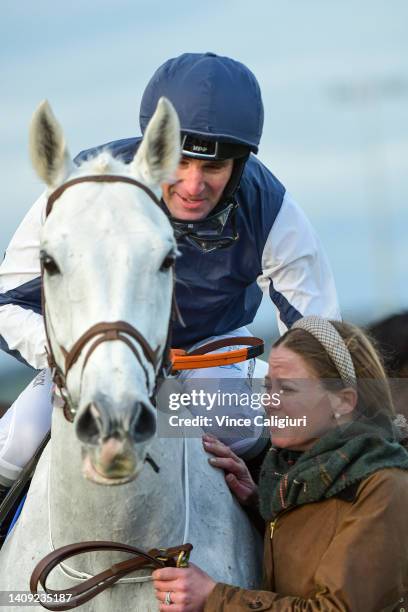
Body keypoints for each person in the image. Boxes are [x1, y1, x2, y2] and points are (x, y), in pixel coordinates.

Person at [0, 52, 340, 503]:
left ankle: (276, 532)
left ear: (239, 166)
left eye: (213, 167)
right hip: (94, 354)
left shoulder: (272, 208)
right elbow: (7, 302)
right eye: (179, 162)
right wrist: (73, 356)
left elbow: (319, 335)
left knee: (229, 417)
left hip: (206, 351)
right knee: (20, 439)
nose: (193, 185)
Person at [153, 316, 408, 611]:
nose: (269, 402)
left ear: (343, 401)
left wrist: (213, 597)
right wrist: (263, 505)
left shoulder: (384, 486)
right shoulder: (301, 478)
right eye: (267, 387)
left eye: (287, 389)